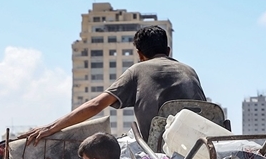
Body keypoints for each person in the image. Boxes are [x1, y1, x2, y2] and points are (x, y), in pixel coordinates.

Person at [26, 26, 205, 145]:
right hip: (199, 147)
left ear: (140, 54)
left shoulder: (138, 70)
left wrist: (50, 128)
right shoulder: (189, 70)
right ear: (168, 51)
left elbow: (96, 105)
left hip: (159, 154)